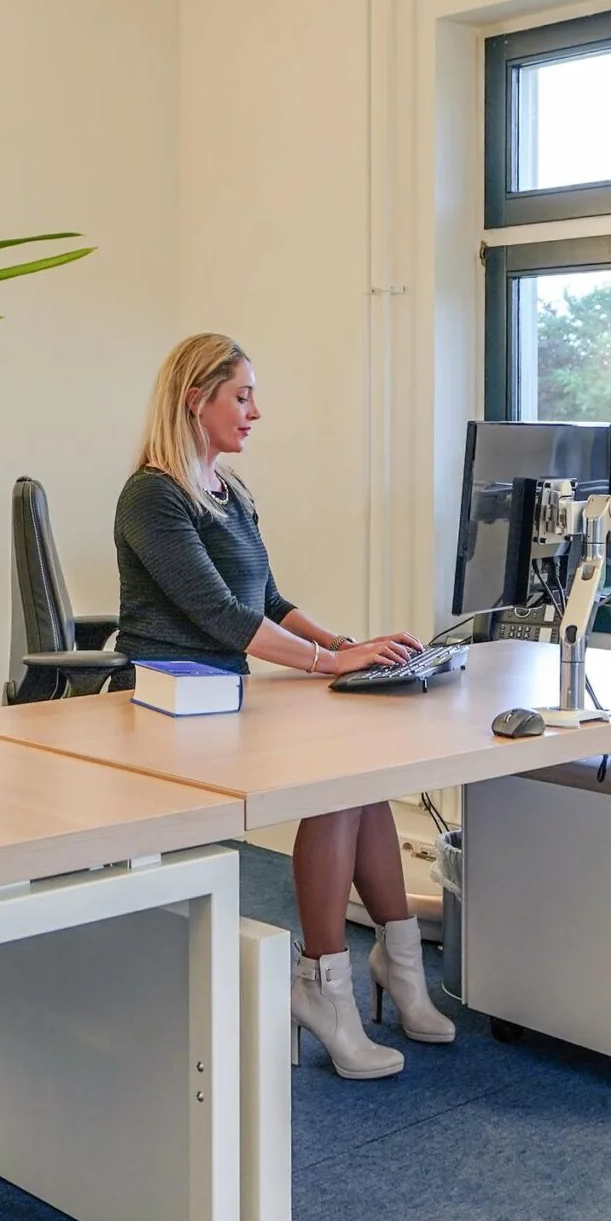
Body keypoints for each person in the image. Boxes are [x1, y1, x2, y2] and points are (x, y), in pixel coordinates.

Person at [114, 333, 455, 1079]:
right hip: (172, 708)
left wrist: (348, 643)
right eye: (242, 395)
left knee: (359, 771)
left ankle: (397, 966)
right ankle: (323, 985)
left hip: (227, 699)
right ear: (194, 399)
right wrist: (331, 663)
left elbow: (266, 599)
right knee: (336, 786)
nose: (255, 412)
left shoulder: (228, 490)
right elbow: (220, 615)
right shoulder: (154, 494)